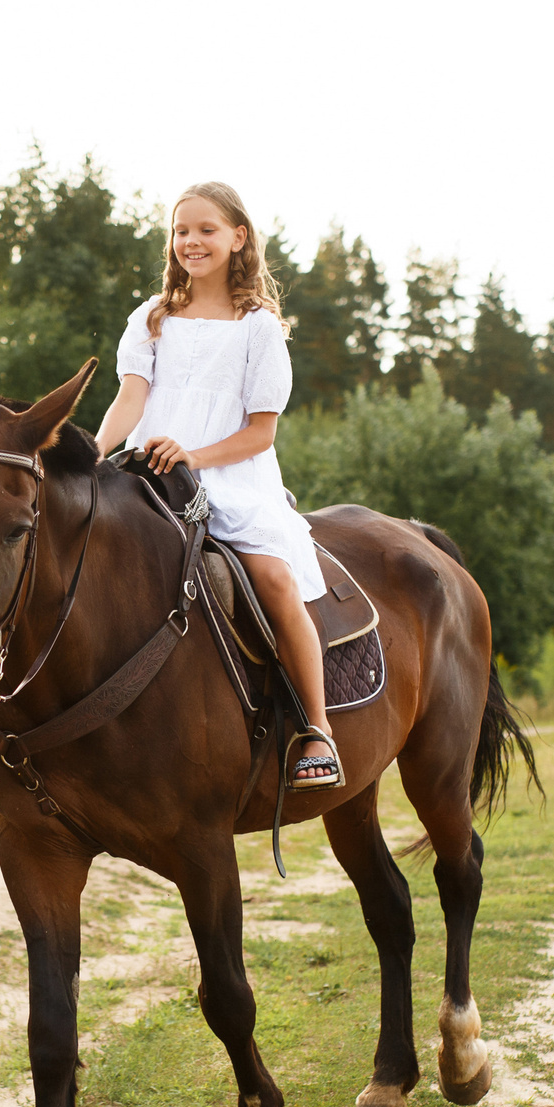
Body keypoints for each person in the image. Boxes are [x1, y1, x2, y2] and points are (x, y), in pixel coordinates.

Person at [96, 181, 340, 789]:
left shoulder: (258, 327)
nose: (191, 242)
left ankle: (317, 729)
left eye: (206, 230)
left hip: (232, 477)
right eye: (181, 230)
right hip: (151, 475)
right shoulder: (151, 317)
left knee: (275, 580)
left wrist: (194, 455)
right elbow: (132, 398)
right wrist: (94, 452)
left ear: (238, 238)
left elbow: (261, 433)